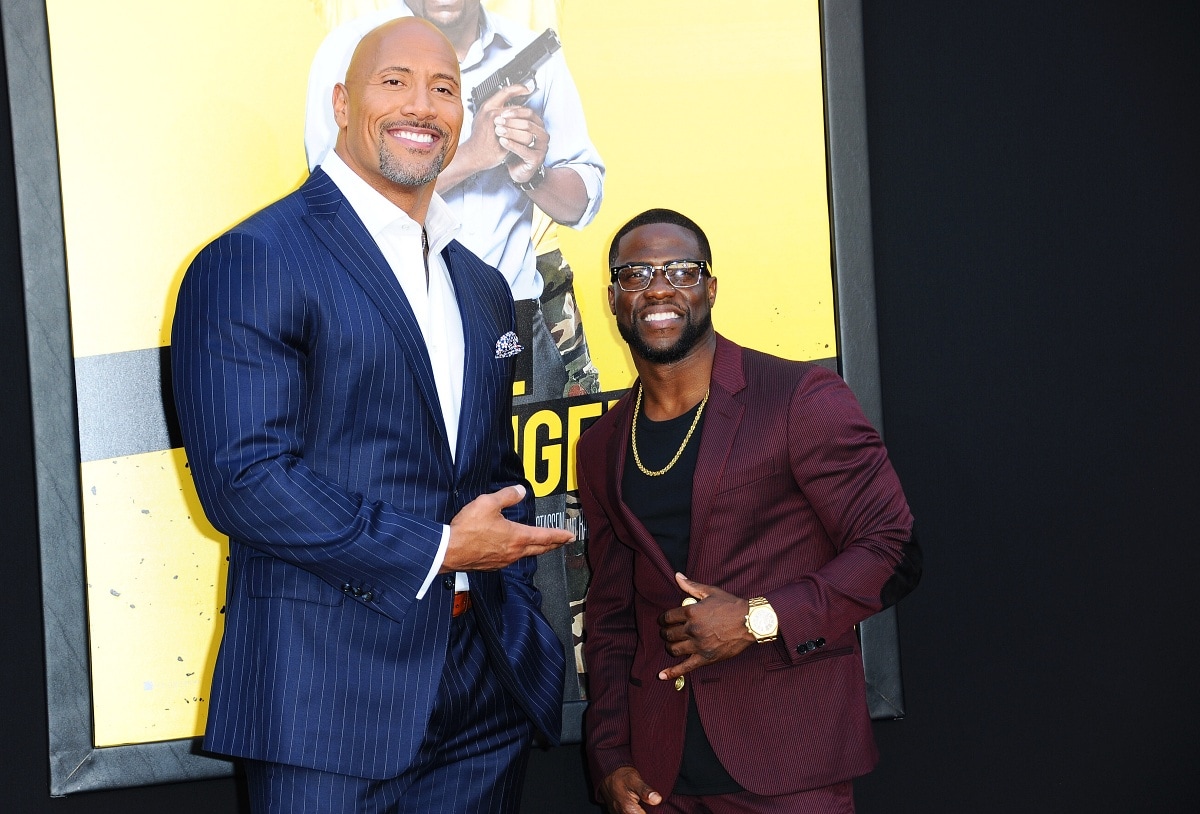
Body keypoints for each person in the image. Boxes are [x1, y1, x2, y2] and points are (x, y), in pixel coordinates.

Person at [171, 18, 573, 813]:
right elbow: (244, 482)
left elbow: (493, 474)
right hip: (325, 701)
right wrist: (443, 548)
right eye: (394, 82)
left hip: (482, 691)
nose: (422, 105)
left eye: (445, 87)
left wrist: (516, 617)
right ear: (341, 102)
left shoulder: (481, 283)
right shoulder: (256, 258)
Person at [577, 209, 922, 814]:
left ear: (710, 289)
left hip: (788, 765)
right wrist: (610, 756)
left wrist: (759, 619)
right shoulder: (604, 442)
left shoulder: (798, 398)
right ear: (613, 298)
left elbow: (891, 549)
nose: (659, 288)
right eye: (636, 275)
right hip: (660, 775)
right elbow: (609, 614)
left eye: (681, 270)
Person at [305, 0, 605, 400]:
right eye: (396, 83)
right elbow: (335, 205)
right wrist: (472, 156)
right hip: (388, 312)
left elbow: (582, 203)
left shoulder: (530, 50)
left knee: (518, 459)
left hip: (510, 315)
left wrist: (534, 176)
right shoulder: (349, 49)